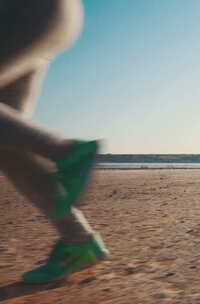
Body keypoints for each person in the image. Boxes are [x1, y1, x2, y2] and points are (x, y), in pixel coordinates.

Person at [0, 0, 108, 283]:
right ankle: (79, 242)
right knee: (10, 144)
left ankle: (65, 151)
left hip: (24, 12)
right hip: (50, 14)